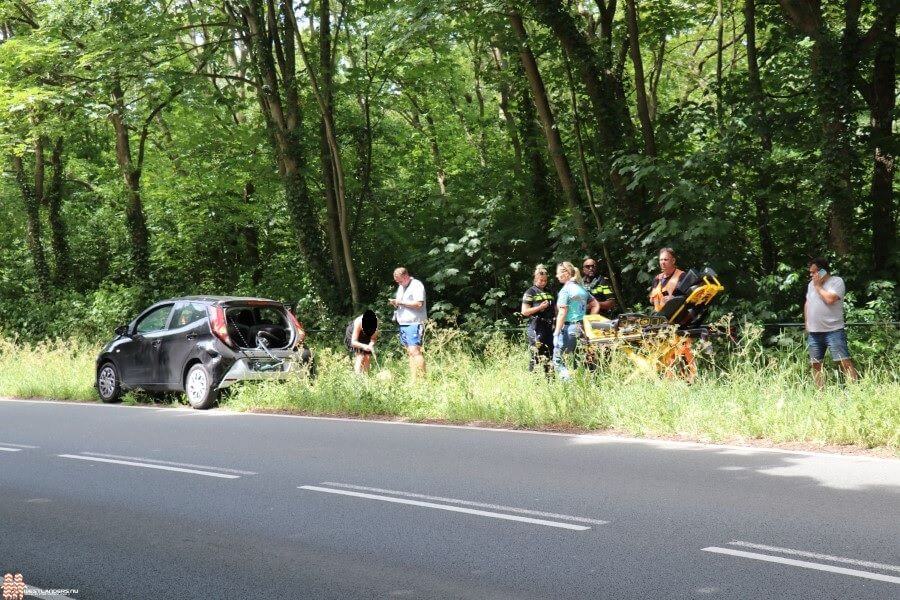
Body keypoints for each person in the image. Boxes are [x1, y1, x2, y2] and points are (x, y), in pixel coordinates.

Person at [804, 257, 858, 389]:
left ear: (822, 271)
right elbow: (808, 303)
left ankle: (856, 392)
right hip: (814, 332)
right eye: (810, 272)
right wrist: (807, 323)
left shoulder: (837, 281)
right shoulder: (810, 285)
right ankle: (820, 394)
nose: (811, 275)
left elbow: (830, 299)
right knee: (815, 364)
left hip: (833, 331)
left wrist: (818, 286)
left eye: (813, 272)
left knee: (843, 362)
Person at [552, 261, 599, 380]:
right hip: (582, 328)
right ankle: (582, 383)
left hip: (569, 328)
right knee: (578, 359)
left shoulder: (565, 290)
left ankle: (569, 383)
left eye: (558, 273)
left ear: (566, 273)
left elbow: (562, 313)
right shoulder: (582, 289)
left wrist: (556, 333)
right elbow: (595, 305)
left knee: (557, 359)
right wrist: (587, 321)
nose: (557, 276)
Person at [389, 267, 427, 378]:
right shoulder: (401, 287)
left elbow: (419, 304)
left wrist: (400, 302)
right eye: (397, 281)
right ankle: (414, 379)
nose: (398, 283)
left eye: (400, 280)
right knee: (409, 352)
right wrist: (395, 303)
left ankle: (423, 380)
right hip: (403, 324)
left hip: (415, 323)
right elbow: (401, 303)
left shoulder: (416, 285)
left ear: (406, 276)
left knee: (415, 351)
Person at [520, 264, 555, 373]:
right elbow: (524, 311)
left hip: (550, 326)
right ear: (535, 278)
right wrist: (539, 307)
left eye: (545, 280)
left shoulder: (549, 291)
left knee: (550, 353)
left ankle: (550, 380)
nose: (543, 282)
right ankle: (534, 381)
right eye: (541, 280)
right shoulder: (530, 292)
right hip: (537, 325)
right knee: (536, 354)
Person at [649, 247, 684, 313]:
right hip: (659, 317)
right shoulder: (657, 279)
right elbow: (651, 300)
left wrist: (674, 299)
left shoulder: (681, 276)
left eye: (665, 259)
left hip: (676, 316)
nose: (662, 262)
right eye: (661, 260)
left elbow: (688, 297)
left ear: (673, 260)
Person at [344, 309, 379, 374]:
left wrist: (370, 345)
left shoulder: (375, 324)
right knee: (360, 356)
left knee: (367, 356)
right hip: (353, 335)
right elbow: (354, 342)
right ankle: (358, 378)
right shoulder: (359, 322)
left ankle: (366, 376)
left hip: (364, 336)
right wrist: (364, 346)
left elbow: (373, 339)